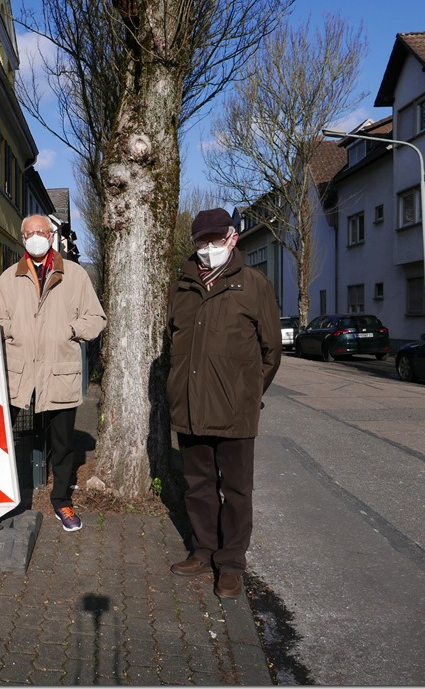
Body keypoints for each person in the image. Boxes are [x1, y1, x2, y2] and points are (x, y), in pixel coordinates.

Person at [166, 207, 281, 599]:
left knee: (236, 491)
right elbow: (171, 346)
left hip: (235, 412)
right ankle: (204, 551)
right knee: (197, 486)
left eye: (216, 240)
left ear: (232, 239)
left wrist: (246, 393)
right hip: (189, 408)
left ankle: (231, 564)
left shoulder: (254, 285)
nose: (209, 248)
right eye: (203, 242)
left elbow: (271, 351)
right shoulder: (180, 288)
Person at [0, 214, 106, 532]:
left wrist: (69, 329)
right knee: (1, 438)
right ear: (22, 238)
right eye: (29, 233)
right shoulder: (7, 279)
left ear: (52, 235)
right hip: (19, 373)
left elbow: (96, 319)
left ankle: (62, 502)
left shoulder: (76, 275)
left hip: (59, 373)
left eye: (41, 231)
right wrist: (14, 330)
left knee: (63, 443)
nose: (35, 237)